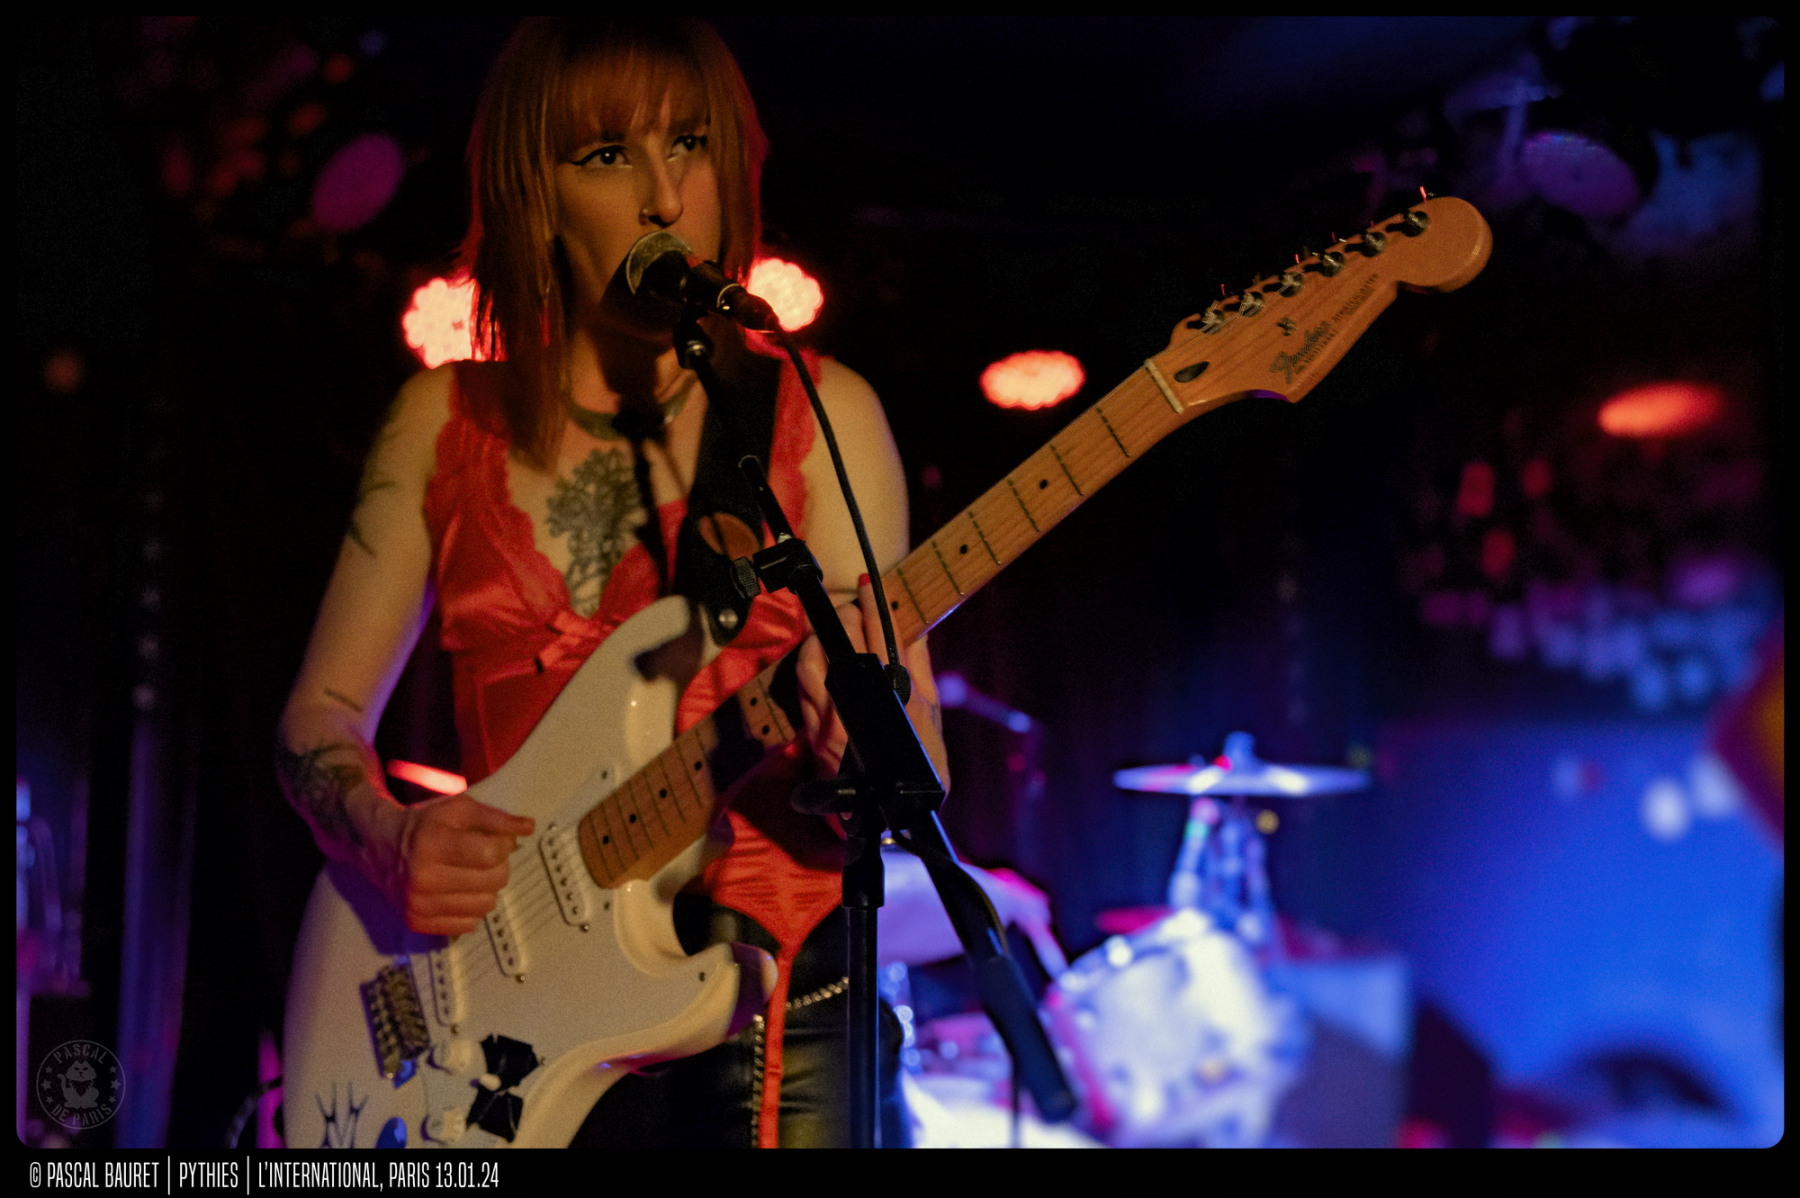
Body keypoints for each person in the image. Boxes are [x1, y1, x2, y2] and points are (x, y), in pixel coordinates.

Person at [275, 16, 946, 1148]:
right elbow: (318, 716)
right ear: (534, 198)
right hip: (513, 1014)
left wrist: (863, 738)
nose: (663, 196)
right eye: (605, 156)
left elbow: (919, 746)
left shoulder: (818, 410)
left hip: (783, 1013)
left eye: (689, 144)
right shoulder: (442, 420)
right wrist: (387, 837)